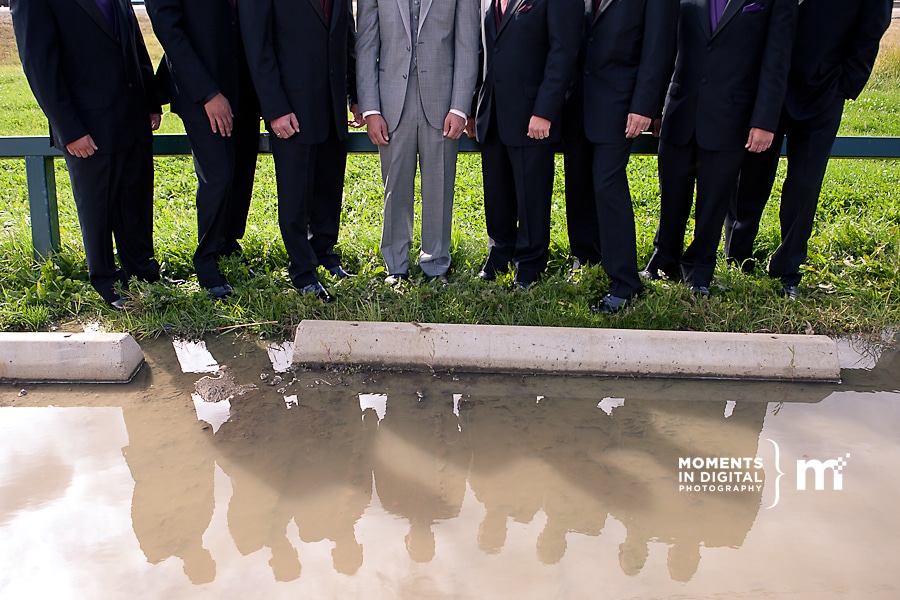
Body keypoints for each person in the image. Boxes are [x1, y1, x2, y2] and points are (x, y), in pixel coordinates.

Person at [724, 0, 891, 300]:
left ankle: (787, 270)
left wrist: (844, 86)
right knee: (749, 175)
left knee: (805, 184)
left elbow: (872, 28)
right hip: (764, 87)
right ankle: (737, 259)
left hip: (824, 91)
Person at [11, 0, 162, 309]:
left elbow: (132, 40)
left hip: (132, 116)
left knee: (136, 199)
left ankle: (144, 275)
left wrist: (150, 99)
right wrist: (69, 130)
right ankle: (107, 282)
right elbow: (38, 65)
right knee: (98, 207)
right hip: (86, 126)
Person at [643, 0, 798, 296]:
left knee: (714, 200)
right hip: (680, 111)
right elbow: (663, 45)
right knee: (672, 192)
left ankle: (699, 270)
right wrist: (655, 106)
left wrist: (765, 121)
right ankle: (664, 260)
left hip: (732, 115)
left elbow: (777, 59)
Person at [240, 0, 360, 303]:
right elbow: (258, 47)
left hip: (332, 106)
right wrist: (275, 109)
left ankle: (325, 253)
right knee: (295, 195)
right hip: (290, 108)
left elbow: (346, 37)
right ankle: (303, 271)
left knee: (329, 187)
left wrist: (356, 96)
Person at [356, 0, 480, 286]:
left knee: (439, 185)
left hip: (442, 101)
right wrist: (371, 110)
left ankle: (435, 265)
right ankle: (395, 266)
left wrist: (460, 107)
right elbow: (366, 46)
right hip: (390, 103)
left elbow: (466, 44)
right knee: (395, 186)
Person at [146, 0, 261, 300]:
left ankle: (227, 246)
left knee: (241, 170)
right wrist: (208, 94)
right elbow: (169, 30)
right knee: (218, 175)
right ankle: (205, 260)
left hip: (245, 81)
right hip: (201, 88)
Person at [568, 0, 678, 313]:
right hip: (578, 100)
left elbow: (659, 47)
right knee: (577, 181)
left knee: (607, 184)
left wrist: (645, 105)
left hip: (621, 104)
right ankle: (586, 258)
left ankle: (625, 282)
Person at [473, 0, 584, 289]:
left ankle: (531, 263)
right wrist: (476, 106)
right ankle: (499, 253)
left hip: (532, 114)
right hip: (493, 112)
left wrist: (545, 110)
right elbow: (486, 50)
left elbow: (564, 53)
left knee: (531, 193)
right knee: (496, 190)